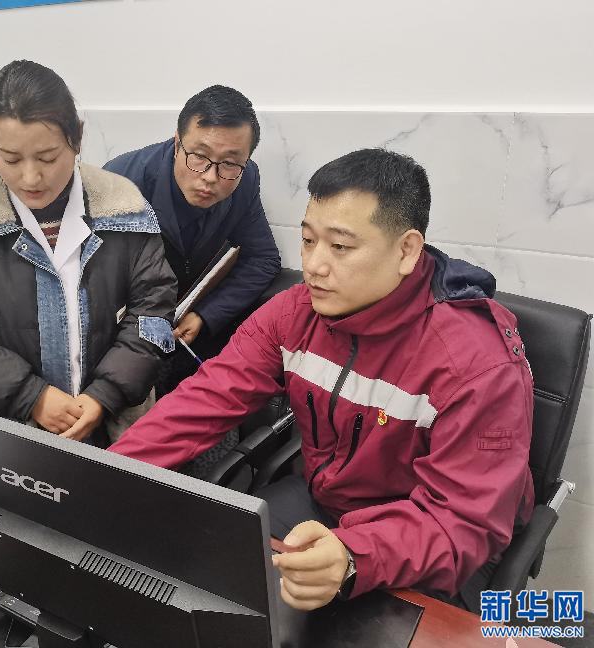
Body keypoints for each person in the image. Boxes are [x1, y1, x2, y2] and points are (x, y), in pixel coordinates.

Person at [110, 149, 534, 612]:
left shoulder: (477, 364)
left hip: (436, 543)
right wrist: (101, 475)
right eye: (309, 240)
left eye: (340, 247)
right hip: (327, 505)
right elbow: (204, 400)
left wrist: (354, 556)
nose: (313, 265)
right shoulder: (295, 313)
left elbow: (465, 522)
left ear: (406, 251)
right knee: (213, 588)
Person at [0, 60, 177, 444]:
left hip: (116, 422)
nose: (31, 178)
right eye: (10, 159)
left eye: (48, 157)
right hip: (13, 431)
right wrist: (30, 396)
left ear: (77, 138)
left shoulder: (125, 212)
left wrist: (105, 394)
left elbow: (152, 312)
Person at [104, 85, 281, 392]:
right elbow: (94, 286)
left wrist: (205, 314)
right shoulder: (121, 183)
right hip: (124, 330)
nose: (210, 177)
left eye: (229, 163)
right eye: (199, 156)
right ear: (177, 144)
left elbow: (263, 259)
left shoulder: (245, 178)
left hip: (187, 322)